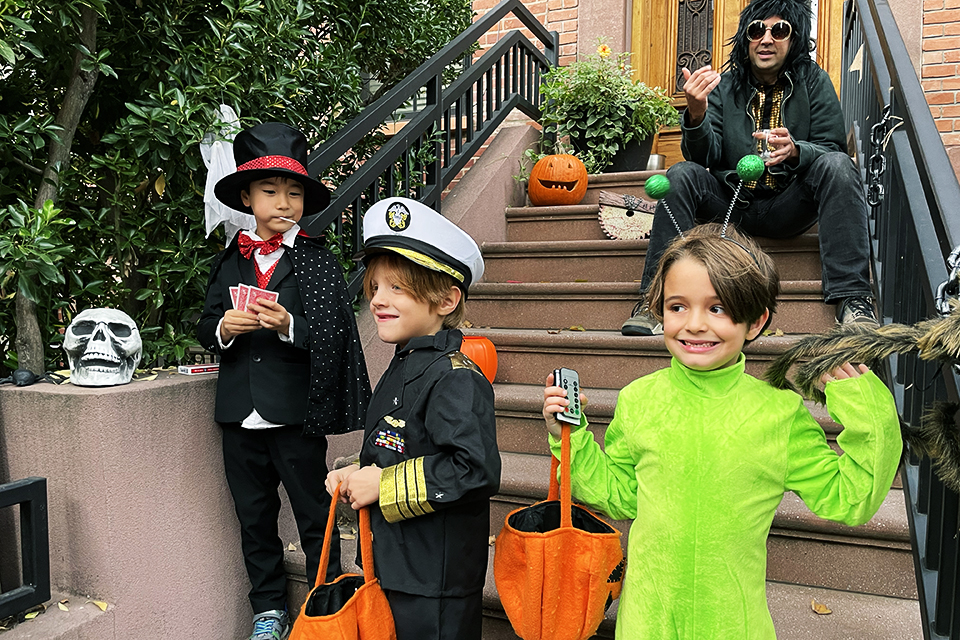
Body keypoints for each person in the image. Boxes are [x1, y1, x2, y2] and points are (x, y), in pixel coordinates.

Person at [545, 224, 902, 639]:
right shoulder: (638, 399)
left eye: (717, 309)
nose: (694, 324)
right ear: (660, 312)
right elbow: (621, 494)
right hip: (649, 617)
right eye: (678, 306)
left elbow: (849, 499)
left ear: (756, 321)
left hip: (733, 622)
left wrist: (868, 410)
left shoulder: (779, 412)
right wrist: (570, 438)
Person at [197, 122, 371, 640]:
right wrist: (225, 329)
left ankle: (330, 601)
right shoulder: (231, 259)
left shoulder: (316, 260)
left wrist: (290, 326)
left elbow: (337, 330)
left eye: (294, 192)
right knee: (254, 519)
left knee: (315, 511)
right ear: (247, 197)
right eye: (270, 191)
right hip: (238, 414)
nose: (284, 202)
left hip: (296, 413)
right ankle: (268, 611)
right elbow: (207, 323)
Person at [622, 0, 878, 336]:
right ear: (746, 38)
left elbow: (833, 149)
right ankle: (655, 302)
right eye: (757, 30)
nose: (767, 39)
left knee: (839, 166)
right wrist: (696, 114)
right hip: (731, 205)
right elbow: (704, 158)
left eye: (779, 30)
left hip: (789, 206)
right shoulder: (724, 87)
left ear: (794, 38)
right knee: (681, 174)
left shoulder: (813, 81)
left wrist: (797, 151)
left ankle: (854, 300)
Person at [325, 197, 501, 640]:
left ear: (446, 299)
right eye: (376, 286)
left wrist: (381, 486)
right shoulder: (406, 361)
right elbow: (399, 445)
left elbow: (473, 469)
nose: (378, 300)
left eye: (397, 288)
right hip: (395, 565)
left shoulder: (456, 377)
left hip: (433, 584)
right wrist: (354, 475)